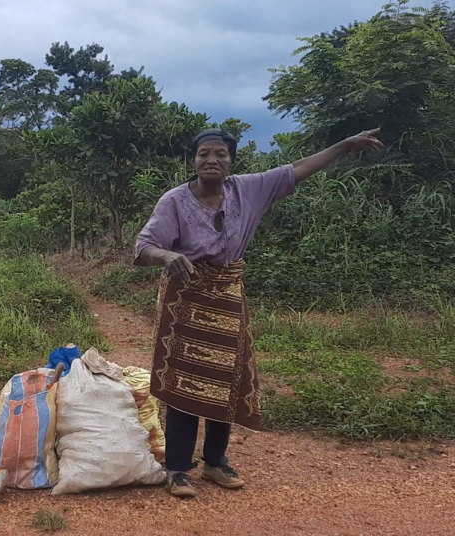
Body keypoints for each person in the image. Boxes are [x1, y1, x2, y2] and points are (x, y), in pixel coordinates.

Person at [134, 127, 383, 498]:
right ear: (194, 160)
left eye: (220, 154)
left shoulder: (247, 190)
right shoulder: (174, 201)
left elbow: (297, 168)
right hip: (186, 299)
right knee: (182, 382)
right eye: (204, 154)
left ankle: (216, 462)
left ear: (231, 161)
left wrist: (346, 145)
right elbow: (144, 246)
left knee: (227, 381)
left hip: (229, 298)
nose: (211, 160)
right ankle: (178, 469)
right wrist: (168, 256)